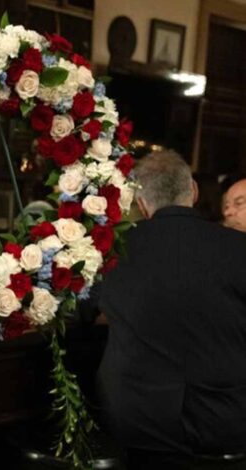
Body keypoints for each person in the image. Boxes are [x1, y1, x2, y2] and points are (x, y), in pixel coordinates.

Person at [97, 151, 246, 469]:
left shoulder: (112, 251)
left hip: (135, 424)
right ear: (193, 190)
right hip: (226, 423)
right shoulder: (238, 248)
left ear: (140, 204)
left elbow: (77, 313)